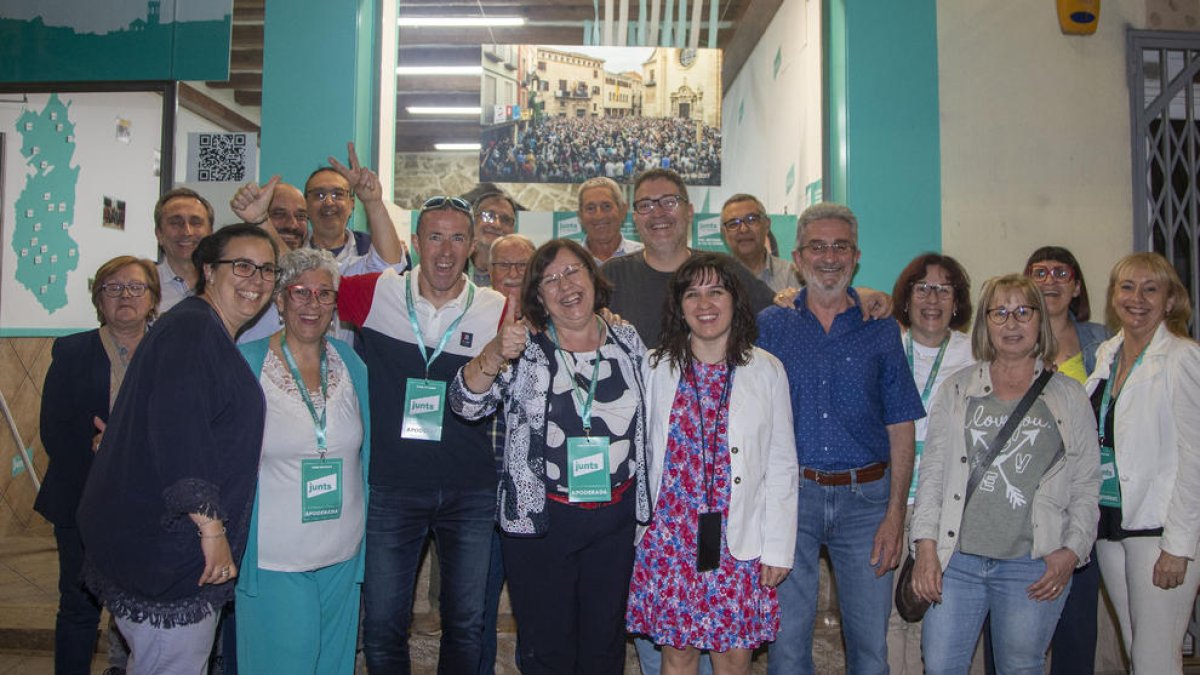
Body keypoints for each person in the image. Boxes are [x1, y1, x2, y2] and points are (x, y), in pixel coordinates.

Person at [77, 224, 278, 675]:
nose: (256, 279)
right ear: (208, 269)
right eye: (241, 265)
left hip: (161, 540)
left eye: (267, 269)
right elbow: (180, 434)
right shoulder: (192, 330)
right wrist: (212, 530)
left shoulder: (202, 328)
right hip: (168, 548)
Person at [449, 238, 650, 674]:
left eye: (573, 272)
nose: (565, 285)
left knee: (605, 646)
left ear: (594, 279)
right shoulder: (525, 348)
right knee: (547, 650)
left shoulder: (628, 339)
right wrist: (493, 352)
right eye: (550, 279)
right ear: (538, 295)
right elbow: (465, 405)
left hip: (615, 523)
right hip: (542, 524)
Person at [337, 196, 507, 673]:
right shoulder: (377, 293)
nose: (445, 250)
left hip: (470, 489)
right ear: (416, 242)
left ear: (473, 248)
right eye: (435, 236)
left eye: (457, 238)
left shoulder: (495, 307)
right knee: (384, 625)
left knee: (466, 623)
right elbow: (297, 288)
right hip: (392, 485)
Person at [758, 202, 924, 675]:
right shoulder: (772, 326)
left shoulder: (881, 329)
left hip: (867, 504)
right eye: (817, 246)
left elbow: (901, 424)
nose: (829, 257)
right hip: (794, 502)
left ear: (856, 257)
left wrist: (896, 514)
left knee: (870, 649)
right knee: (787, 647)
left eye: (840, 247)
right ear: (797, 257)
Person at [910, 273, 1100, 675]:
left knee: (1020, 667)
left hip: (1031, 565)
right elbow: (933, 475)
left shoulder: (1068, 395)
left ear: (1039, 321)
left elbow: (1086, 483)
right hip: (956, 561)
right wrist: (924, 545)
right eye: (1000, 313)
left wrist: (1072, 551)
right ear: (985, 324)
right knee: (941, 666)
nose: (1011, 323)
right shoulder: (958, 389)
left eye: (1022, 312)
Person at [627, 253, 798, 675]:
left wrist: (778, 547)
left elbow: (782, 466)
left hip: (739, 539)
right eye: (693, 293)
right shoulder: (653, 366)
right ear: (679, 306)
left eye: (716, 292)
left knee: (733, 657)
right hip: (670, 538)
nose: (705, 304)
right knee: (678, 655)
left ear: (735, 301)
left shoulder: (767, 370)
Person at [234, 249, 370, 674]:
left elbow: (367, 455)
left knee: (333, 666)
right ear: (279, 299)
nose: (312, 303)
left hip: (343, 553)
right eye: (300, 292)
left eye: (324, 293)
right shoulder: (247, 364)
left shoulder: (351, 363)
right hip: (274, 558)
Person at [36, 255, 160, 675]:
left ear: (153, 298)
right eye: (113, 288)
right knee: (79, 605)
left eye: (136, 287)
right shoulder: (72, 350)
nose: (125, 295)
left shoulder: (170, 349)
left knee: (143, 605)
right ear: (99, 299)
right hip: (83, 498)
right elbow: (53, 427)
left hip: (151, 504)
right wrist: (97, 447)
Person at [1086, 252, 1200, 674]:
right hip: (1113, 522)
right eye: (1127, 287)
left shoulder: (1183, 358)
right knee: (1140, 650)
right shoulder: (1107, 355)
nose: (1138, 298)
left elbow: (1196, 456)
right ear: (1114, 295)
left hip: (1159, 530)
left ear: (1170, 301)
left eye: (1151, 289)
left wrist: (1179, 546)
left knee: (1155, 658)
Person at [885, 253, 976, 674]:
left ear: (957, 302)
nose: (933, 298)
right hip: (889, 502)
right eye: (922, 288)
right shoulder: (885, 345)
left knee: (933, 615)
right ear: (906, 298)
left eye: (944, 289)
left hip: (947, 507)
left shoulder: (977, 354)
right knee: (890, 617)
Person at [231, 142, 408, 344]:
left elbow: (389, 264)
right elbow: (294, 269)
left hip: (331, 369)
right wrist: (260, 219)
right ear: (306, 204)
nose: (329, 202)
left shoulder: (353, 269)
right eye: (319, 195)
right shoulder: (273, 260)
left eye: (338, 194)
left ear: (352, 203)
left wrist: (373, 202)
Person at [603, 169, 775, 349]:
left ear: (690, 212)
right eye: (646, 205)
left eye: (669, 202)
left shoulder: (723, 270)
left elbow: (777, 317)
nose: (658, 213)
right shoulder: (612, 276)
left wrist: (790, 298)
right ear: (635, 218)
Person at [476, 233, 536, 675]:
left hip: (535, 499)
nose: (513, 275)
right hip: (475, 495)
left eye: (523, 266)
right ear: (487, 271)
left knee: (536, 613)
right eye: (504, 266)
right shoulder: (469, 321)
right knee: (474, 610)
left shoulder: (557, 326)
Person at [153, 188, 214, 313]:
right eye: (176, 223)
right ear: (159, 234)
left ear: (211, 232)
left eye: (196, 223)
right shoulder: (142, 287)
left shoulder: (228, 286)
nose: (187, 232)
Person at [720, 194, 796, 292]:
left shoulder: (793, 276)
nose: (743, 229)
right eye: (733, 224)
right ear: (724, 233)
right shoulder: (716, 279)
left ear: (767, 225)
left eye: (751, 220)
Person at [577, 176, 643, 263]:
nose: (599, 216)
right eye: (590, 208)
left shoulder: (646, 257)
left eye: (607, 206)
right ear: (580, 216)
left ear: (623, 210)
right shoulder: (569, 262)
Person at [467, 191, 520, 287]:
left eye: (505, 220)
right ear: (472, 220)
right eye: (488, 216)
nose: (497, 225)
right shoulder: (452, 267)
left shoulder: (521, 276)